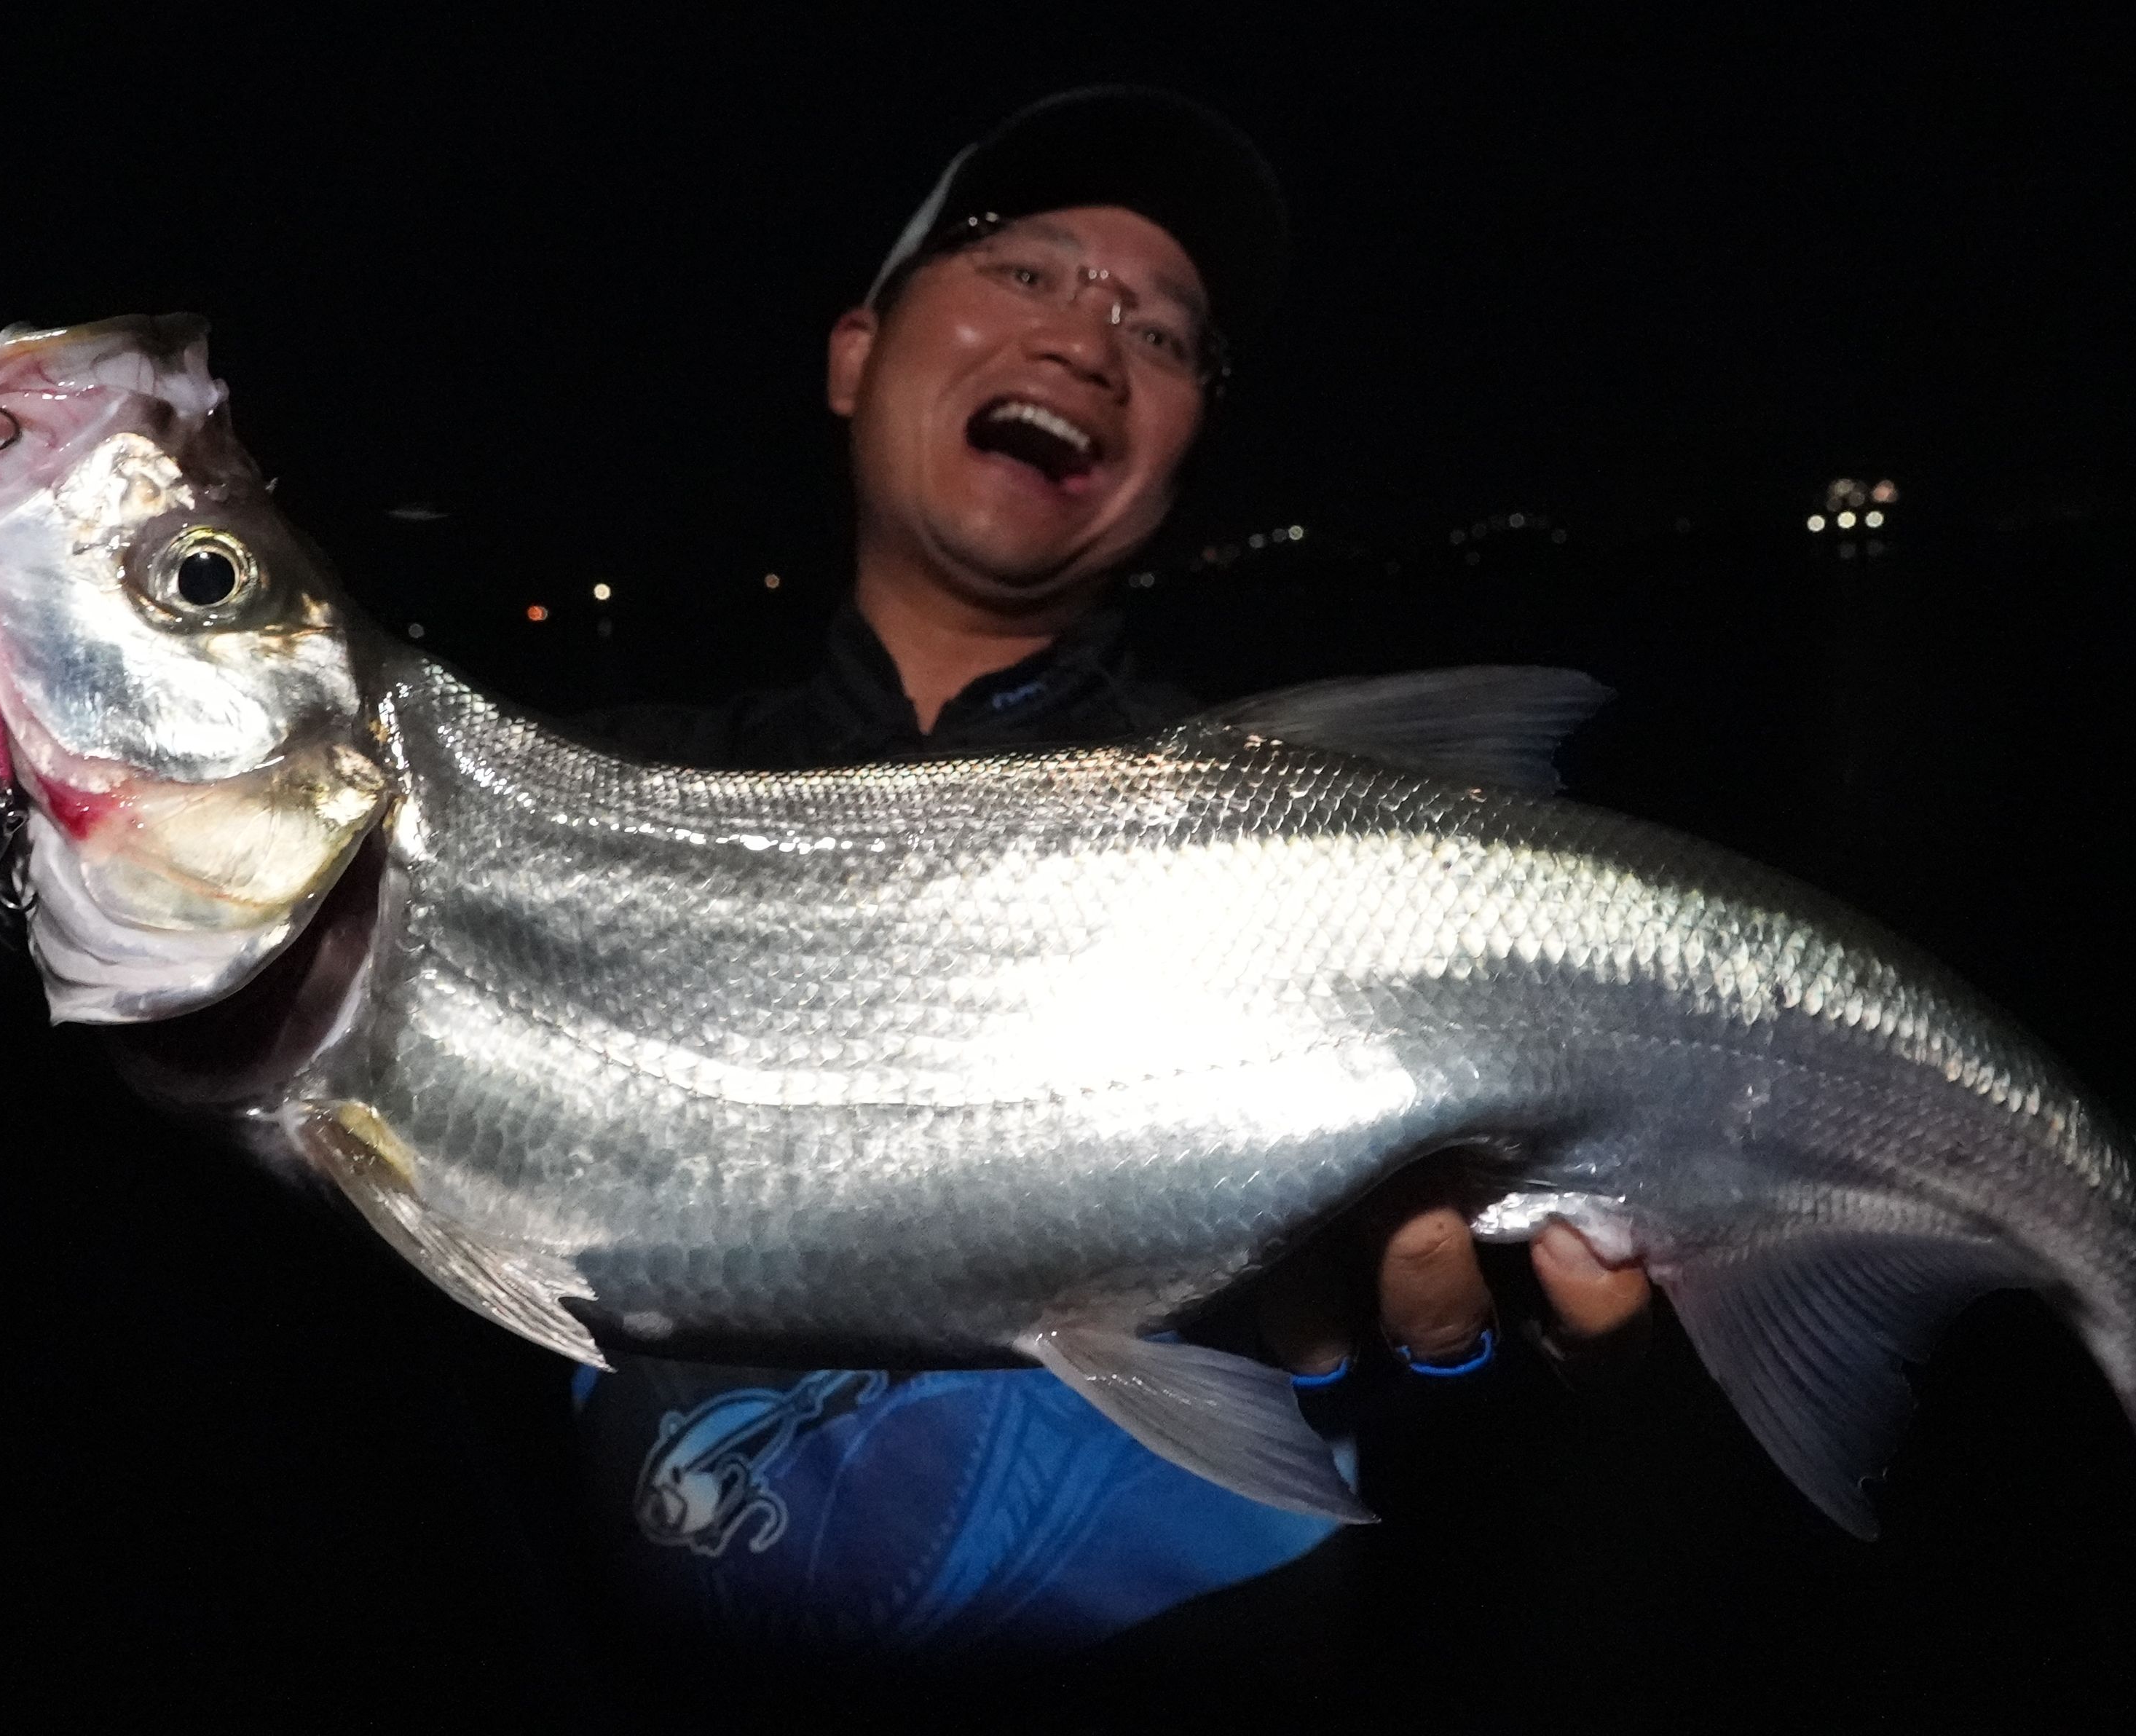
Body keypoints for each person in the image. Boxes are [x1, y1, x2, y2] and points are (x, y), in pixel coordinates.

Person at [563, 87, 1653, 1661]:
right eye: (1023, 272)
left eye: (1160, 334)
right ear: (853, 350)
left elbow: (1506, 1443)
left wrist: (1551, 1384)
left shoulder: (1305, 834)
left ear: (1184, 447)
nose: (1085, 341)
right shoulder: (612, 790)